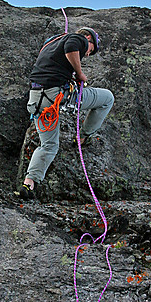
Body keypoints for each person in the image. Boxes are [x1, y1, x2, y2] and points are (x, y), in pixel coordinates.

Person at [16, 27, 114, 199]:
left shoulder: (50, 43)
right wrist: (80, 74)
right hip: (58, 95)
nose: (88, 54)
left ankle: (29, 183)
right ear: (88, 38)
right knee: (107, 98)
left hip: (37, 100)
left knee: (49, 145)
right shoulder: (78, 39)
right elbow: (72, 46)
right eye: (91, 50)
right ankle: (83, 136)